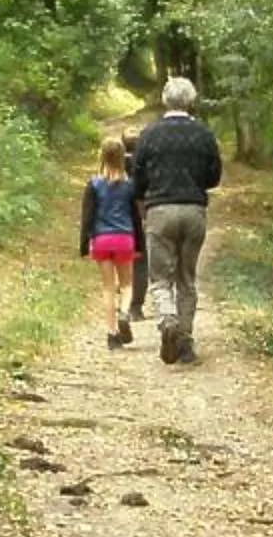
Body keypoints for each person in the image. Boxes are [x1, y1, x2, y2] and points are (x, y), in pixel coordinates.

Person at [128, 76, 221, 365]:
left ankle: (167, 321)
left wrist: (143, 202)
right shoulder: (203, 134)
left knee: (160, 278)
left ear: (165, 100)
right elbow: (214, 176)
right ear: (190, 101)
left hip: (160, 211)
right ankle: (185, 342)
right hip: (194, 211)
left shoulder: (150, 134)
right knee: (186, 278)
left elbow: (137, 179)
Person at [77, 136, 142, 347]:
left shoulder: (93, 185)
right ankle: (125, 313)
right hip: (124, 239)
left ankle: (112, 334)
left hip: (102, 240)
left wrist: (84, 245)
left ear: (101, 156)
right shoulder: (129, 186)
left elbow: (87, 216)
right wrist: (139, 244)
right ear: (123, 158)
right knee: (127, 284)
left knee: (108, 288)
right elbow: (135, 217)